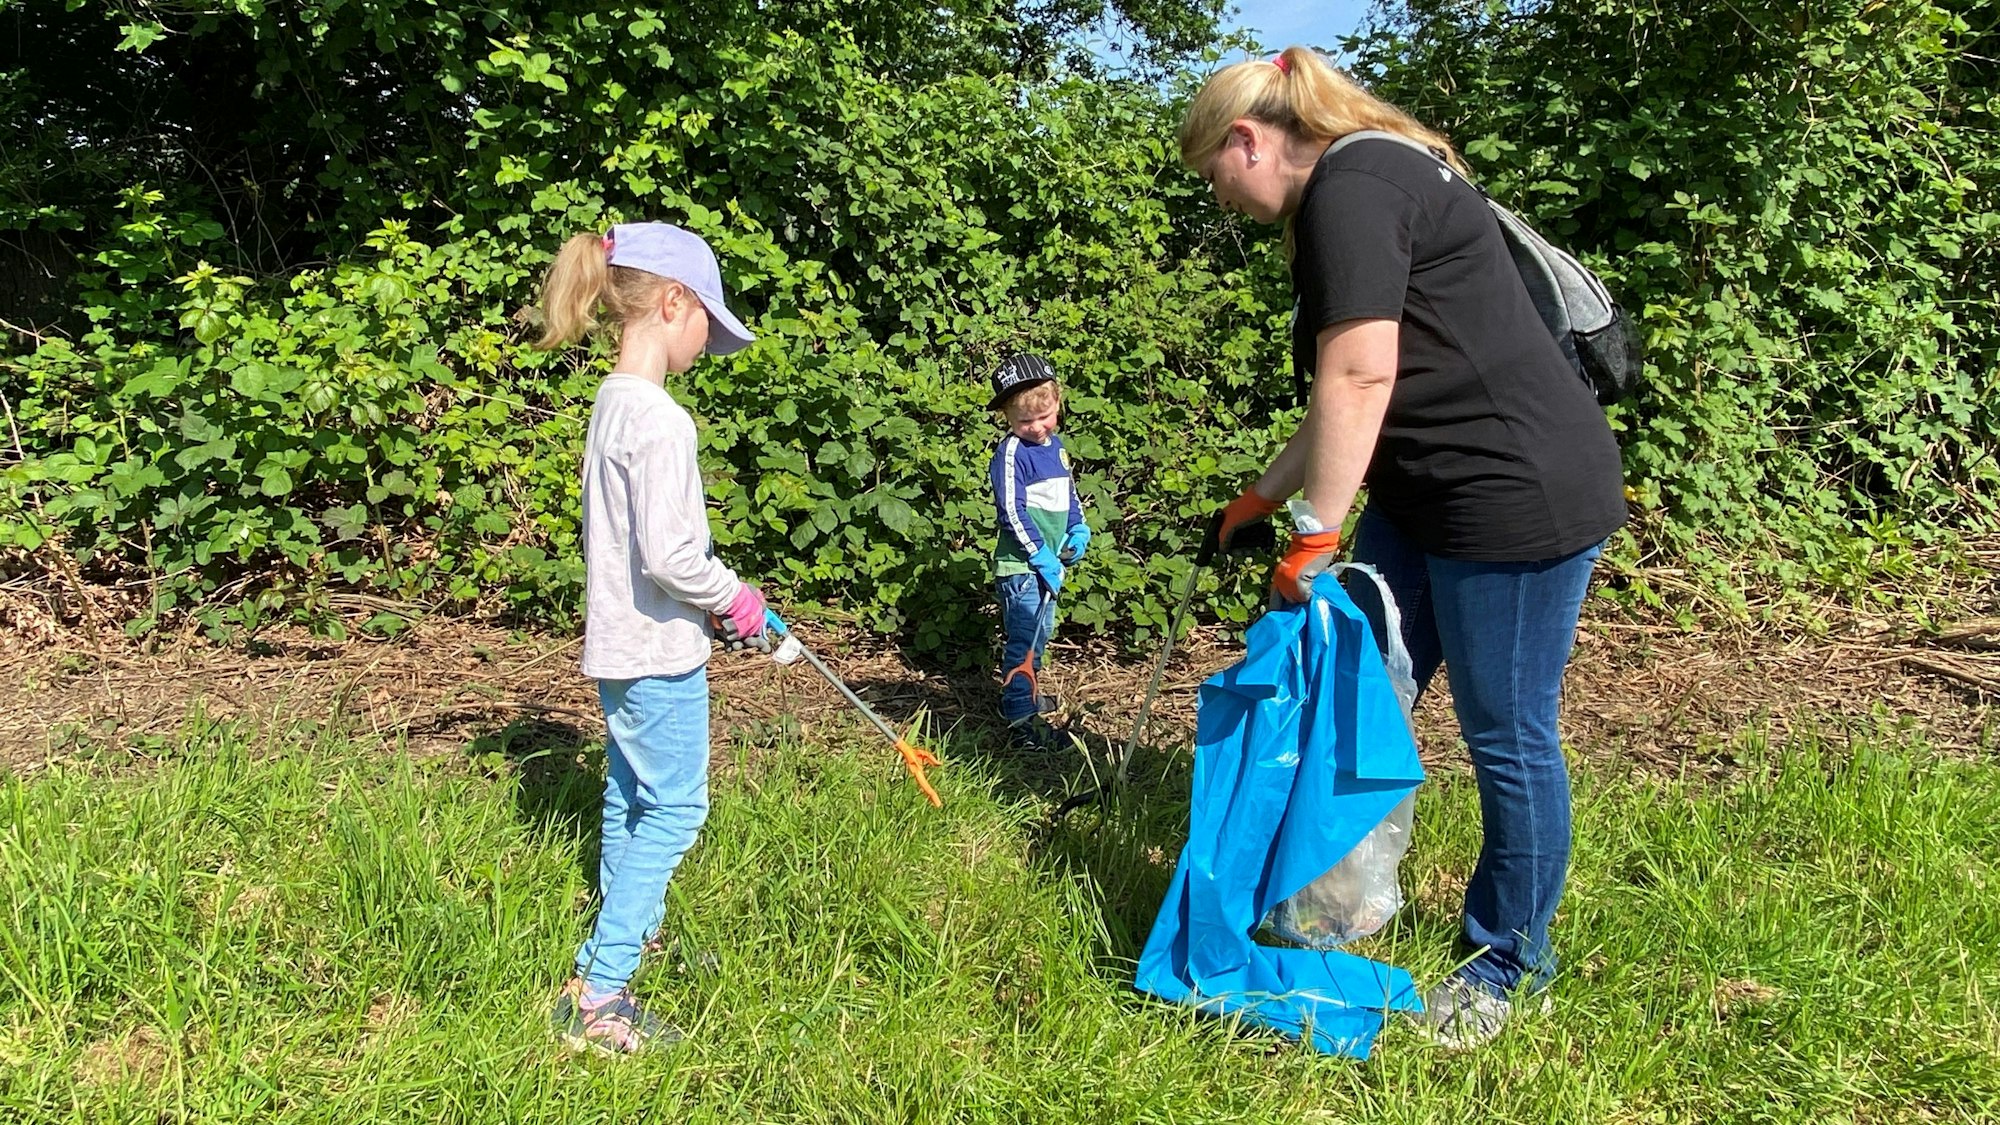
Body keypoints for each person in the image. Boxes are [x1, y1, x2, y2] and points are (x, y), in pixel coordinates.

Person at [1180, 47, 1627, 1049]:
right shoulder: (1371, 174)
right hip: (1425, 495)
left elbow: (1358, 377)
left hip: (1512, 495)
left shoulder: (1355, 182)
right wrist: (1264, 497)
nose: (1220, 198)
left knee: (1506, 735)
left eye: (1213, 174)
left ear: (1246, 141)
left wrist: (1312, 536)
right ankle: (1338, 902)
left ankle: (1507, 960)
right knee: (1363, 690)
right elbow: (1341, 390)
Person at [534, 222, 769, 1055]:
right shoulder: (663, 420)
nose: (711, 338)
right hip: (661, 654)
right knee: (676, 806)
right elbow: (672, 555)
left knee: (630, 796)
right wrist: (735, 596)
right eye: (709, 318)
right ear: (673, 302)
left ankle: (630, 936)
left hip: (617, 648)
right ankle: (597, 994)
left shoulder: (609, 403)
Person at [985, 353, 1091, 751]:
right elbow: (1010, 510)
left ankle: (1023, 698)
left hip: (1048, 564)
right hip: (1022, 566)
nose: (1035, 427)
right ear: (1008, 419)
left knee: (1040, 634)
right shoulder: (1011, 452)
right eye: (1023, 422)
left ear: (1057, 403)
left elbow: (1069, 492)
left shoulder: (1056, 447)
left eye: (1043, 416)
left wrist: (1077, 527)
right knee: (1026, 639)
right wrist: (1040, 557)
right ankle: (1021, 721)